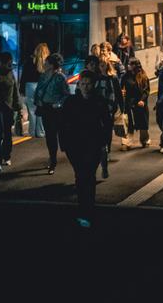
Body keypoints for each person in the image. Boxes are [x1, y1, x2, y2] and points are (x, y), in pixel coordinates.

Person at [60, 70, 107, 228]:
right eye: (83, 83)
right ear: (79, 85)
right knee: (81, 176)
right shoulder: (71, 102)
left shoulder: (99, 101)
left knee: (88, 176)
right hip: (75, 145)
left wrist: (104, 142)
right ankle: (84, 209)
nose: (85, 87)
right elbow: (63, 123)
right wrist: (64, 144)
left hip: (93, 144)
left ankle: (87, 209)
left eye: (88, 84)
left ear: (94, 85)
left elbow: (106, 123)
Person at [34, 52, 70, 175]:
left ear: (52, 65)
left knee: (58, 134)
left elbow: (66, 94)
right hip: (45, 108)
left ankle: (59, 158)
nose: (44, 64)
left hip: (56, 110)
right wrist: (38, 100)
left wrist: (58, 104)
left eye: (47, 62)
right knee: (50, 136)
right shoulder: (43, 76)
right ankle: (52, 159)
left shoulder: (60, 77)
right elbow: (38, 90)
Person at [95, 47, 124, 177]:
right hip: (97, 110)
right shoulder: (96, 78)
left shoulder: (113, 78)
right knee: (99, 133)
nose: (101, 67)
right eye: (100, 65)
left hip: (109, 110)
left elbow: (118, 94)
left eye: (104, 65)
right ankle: (103, 151)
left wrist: (122, 108)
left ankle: (107, 149)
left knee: (107, 132)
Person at [19, 43, 49, 138]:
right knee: (41, 109)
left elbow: (23, 77)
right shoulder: (46, 62)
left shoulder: (29, 61)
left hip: (29, 86)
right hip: (41, 86)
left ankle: (32, 132)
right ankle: (40, 132)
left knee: (32, 111)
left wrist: (22, 89)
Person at [121, 57, 151, 148]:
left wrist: (142, 100)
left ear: (135, 65)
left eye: (130, 64)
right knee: (128, 123)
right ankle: (127, 142)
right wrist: (122, 91)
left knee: (142, 124)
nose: (128, 66)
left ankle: (144, 140)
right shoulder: (126, 76)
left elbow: (146, 90)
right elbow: (121, 86)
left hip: (140, 103)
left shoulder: (143, 76)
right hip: (129, 103)